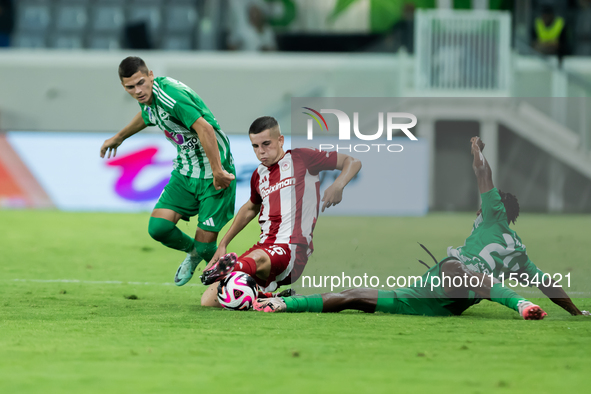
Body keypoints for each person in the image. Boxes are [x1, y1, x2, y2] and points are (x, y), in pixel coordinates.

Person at [254, 136, 589, 320]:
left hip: (451, 275)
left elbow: (483, 177)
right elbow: (547, 283)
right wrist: (577, 311)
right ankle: (284, 305)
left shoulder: (492, 213)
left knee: (462, 269)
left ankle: (519, 305)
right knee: (355, 297)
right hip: (430, 300)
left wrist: (477, 153)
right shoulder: (519, 255)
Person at [100, 56, 236, 286]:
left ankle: (238, 285)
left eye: (141, 83)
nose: (138, 91)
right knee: (159, 228)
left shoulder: (170, 96)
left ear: (151, 75)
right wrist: (119, 137)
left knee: (207, 246)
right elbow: (146, 116)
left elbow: (205, 128)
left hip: (213, 173)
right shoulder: (149, 98)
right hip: (185, 170)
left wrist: (217, 170)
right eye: (130, 87)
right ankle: (193, 253)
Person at [199, 116, 361, 307]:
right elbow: (250, 208)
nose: (261, 151)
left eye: (266, 144)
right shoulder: (258, 175)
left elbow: (352, 161)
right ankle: (276, 297)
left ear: (280, 140)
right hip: (263, 247)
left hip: (292, 248)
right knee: (211, 300)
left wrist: (338, 185)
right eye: (255, 146)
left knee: (255, 259)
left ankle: (231, 267)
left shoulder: (302, 158)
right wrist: (223, 243)